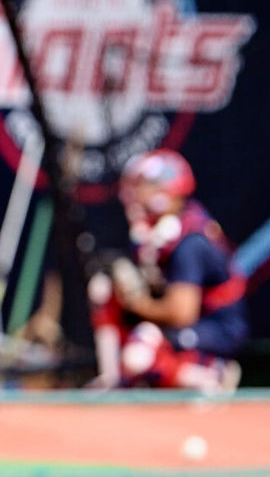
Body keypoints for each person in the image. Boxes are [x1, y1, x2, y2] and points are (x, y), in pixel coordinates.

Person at [87, 149, 247, 393]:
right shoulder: (154, 233)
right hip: (180, 323)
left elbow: (182, 313)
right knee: (102, 289)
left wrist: (137, 303)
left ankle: (209, 375)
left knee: (140, 352)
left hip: (213, 329)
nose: (135, 195)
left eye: (144, 186)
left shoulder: (190, 242)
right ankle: (111, 378)